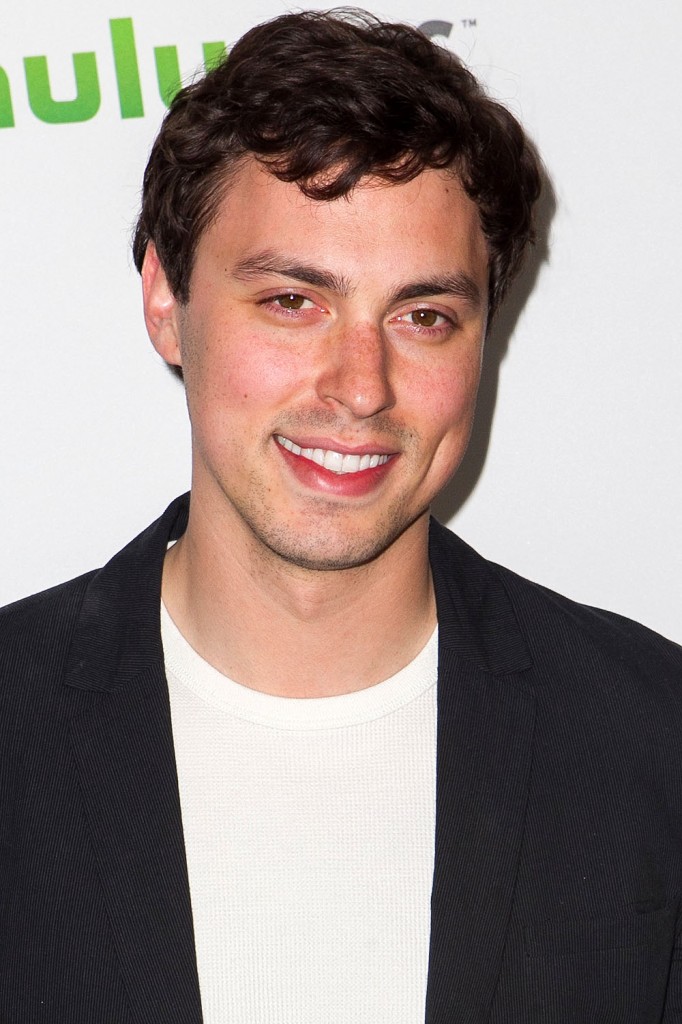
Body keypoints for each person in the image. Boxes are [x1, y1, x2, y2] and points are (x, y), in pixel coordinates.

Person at [1, 9, 681, 1023]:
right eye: (292, 301)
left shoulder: (650, 738)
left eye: (423, 317)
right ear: (163, 299)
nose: (362, 387)